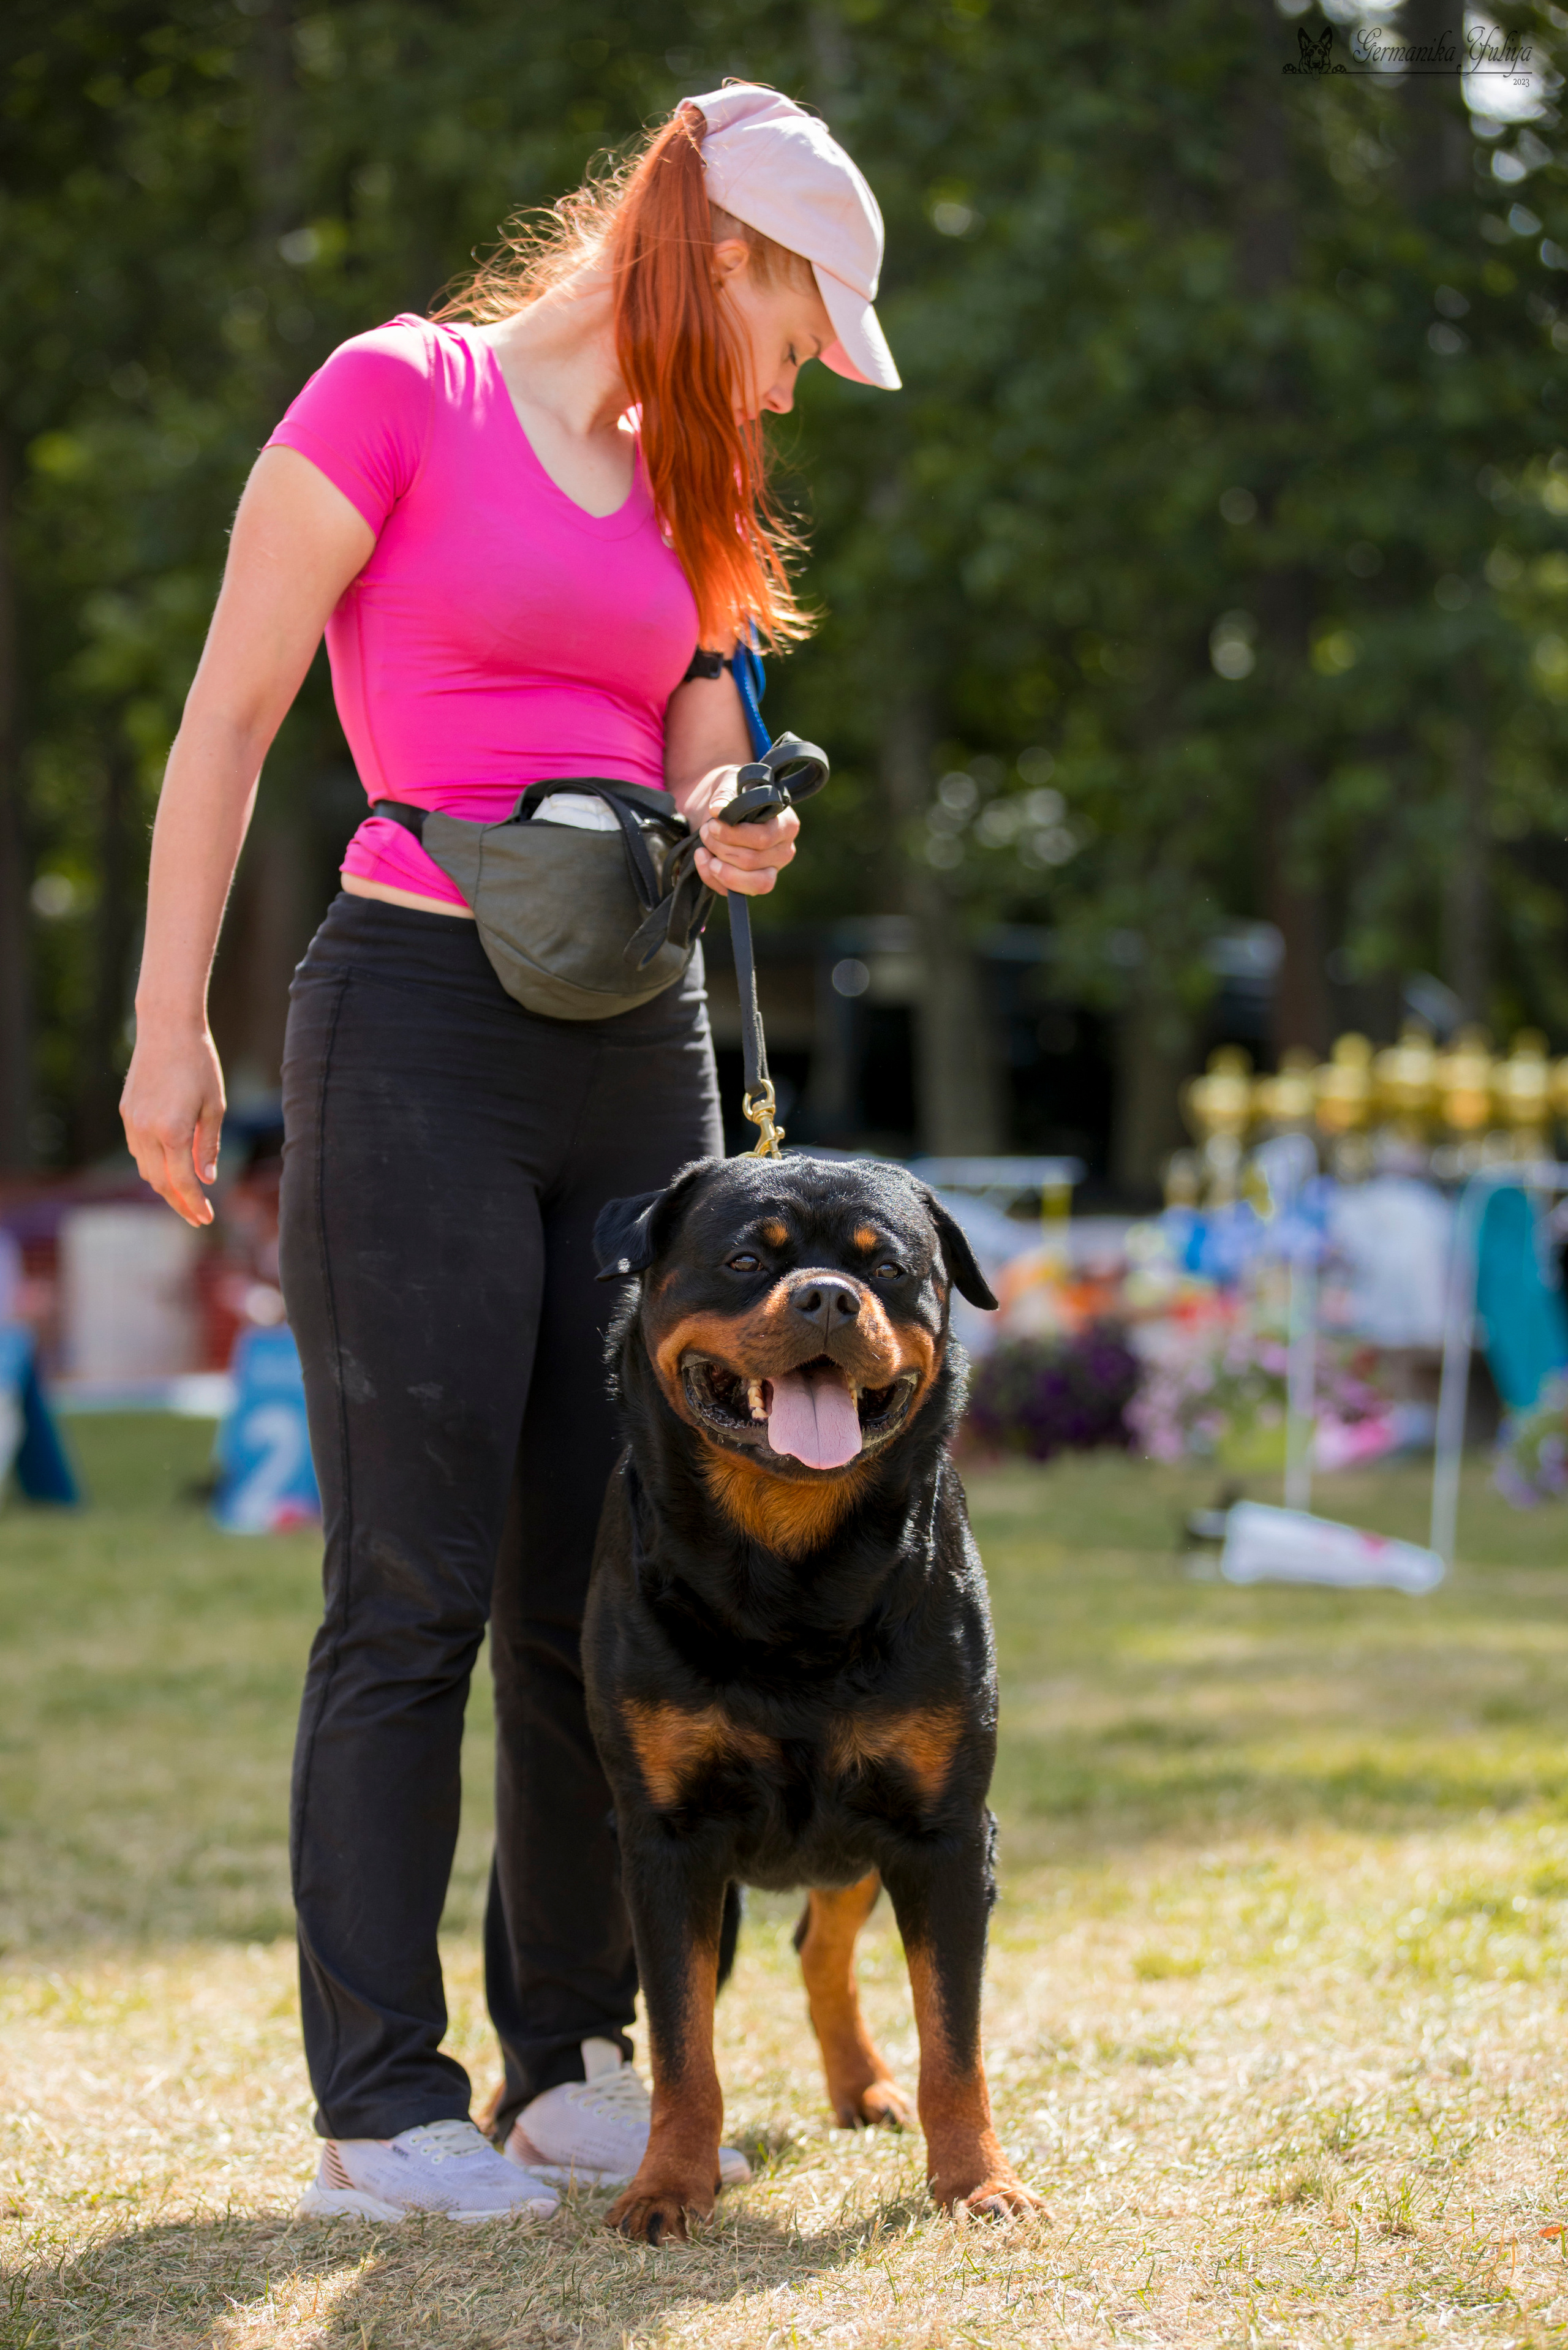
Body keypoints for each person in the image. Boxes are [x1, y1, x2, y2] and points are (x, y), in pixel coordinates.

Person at [120, 83, 900, 2223]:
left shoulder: (696, 487)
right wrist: (167, 1024)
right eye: (794, 322)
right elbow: (228, 718)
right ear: (714, 253)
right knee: (412, 1585)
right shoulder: (400, 394)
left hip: (632, 1050)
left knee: (603, 1577)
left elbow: (705, 751)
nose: (791, 374)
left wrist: (744, 820)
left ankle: (567, 2050)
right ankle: (384, 2103)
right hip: (415, 1030)